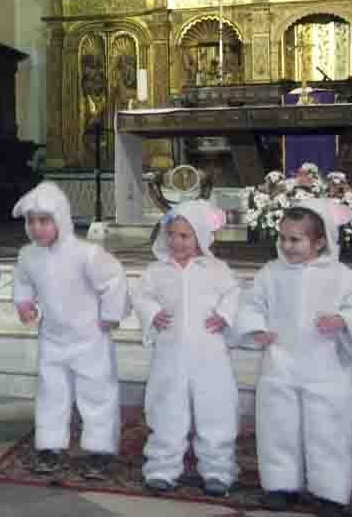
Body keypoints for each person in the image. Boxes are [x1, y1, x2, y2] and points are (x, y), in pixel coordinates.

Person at [236, 201, 352, 517]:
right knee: (278, 424)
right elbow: (250, 304)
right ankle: (280, 484)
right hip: (281, 363)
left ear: (320, 241)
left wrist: (343, 320)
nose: (287, 246)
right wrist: (257, 328)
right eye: (283, 238)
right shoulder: (271, 273)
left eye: (296, 240)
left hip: (326, 366)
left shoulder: (342, 276)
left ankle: (330, 491)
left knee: (328, 429)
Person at [12, 181, 129, 479]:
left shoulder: (86, 254)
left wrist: (111, 315)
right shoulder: (29, 255)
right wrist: (24, 303)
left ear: (61, 219)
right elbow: (23, 281)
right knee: (51, 392)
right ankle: (50, 445)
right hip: (52, 338)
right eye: (31, 221)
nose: (37, 228)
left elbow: (114, 279)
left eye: (44, 220)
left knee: (97, 392)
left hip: (90, 338)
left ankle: (99, 449)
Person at [133, 201, 240, 497]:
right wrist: (152, 311)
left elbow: (233, 294)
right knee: (166, 407)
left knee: (215, 409)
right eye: (172, 235)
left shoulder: (217, 269)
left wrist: (226, 315)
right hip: (170, 353)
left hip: (210, 353)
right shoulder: (157, 270)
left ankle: (218, 468)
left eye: (185, 236)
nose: (176, 242)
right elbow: (141, 296)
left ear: (201, 238)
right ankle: (162, 467)